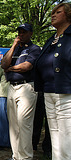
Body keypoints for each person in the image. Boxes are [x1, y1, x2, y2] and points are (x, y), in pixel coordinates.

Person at [34, 3, 71, 159]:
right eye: (52, 13)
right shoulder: (51, 40)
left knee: (66, 137)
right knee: (55, 137)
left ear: (68, 15)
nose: (53, 15)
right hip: (49, 93)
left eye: (58, 12)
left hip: (67, 93)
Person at [0, 23, 41, 160]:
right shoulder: (15, 49)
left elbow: (26, 66)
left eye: (24, 32)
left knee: (24, 124)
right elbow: (4, 64)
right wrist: (13, 46)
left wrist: (10, 69)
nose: (21, 34)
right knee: (13, 126)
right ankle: (16, 156)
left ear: (31, 34)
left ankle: (26, 157)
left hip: (26, 88)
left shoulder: (34, 49)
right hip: (11, 88)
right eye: (19, 32)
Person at [32, 92, 51, 159]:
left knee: (49, 123)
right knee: (37, 119)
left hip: (50, 91)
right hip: (39, 92)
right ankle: (33, 144)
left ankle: (47, 148)